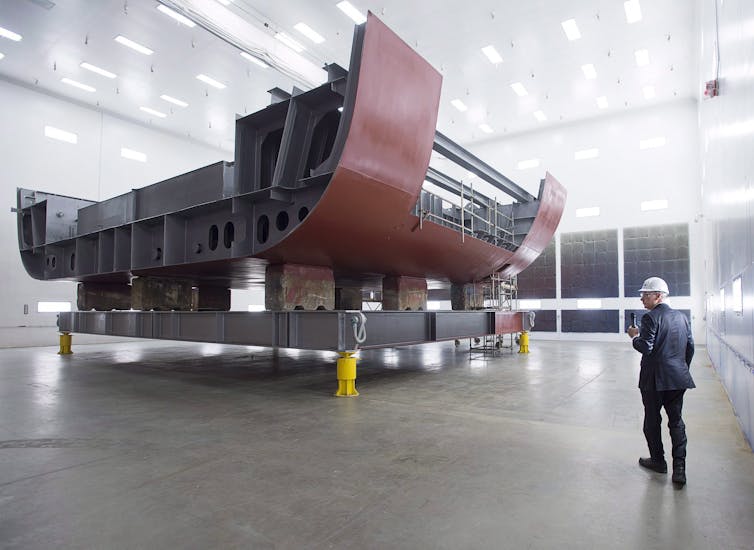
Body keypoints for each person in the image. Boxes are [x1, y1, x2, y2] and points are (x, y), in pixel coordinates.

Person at [626, 276, 695, 486]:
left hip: (654, 381)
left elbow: (645, 347)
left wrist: (634, 337)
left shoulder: (650, 318)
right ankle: (680, 470)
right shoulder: (682, 317)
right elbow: (690, 347)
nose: (642, 299)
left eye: (645, 295)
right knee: (676, 422)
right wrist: (680, 369)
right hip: (678, 379)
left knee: (652, 421)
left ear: (658, 296)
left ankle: (658, 461)